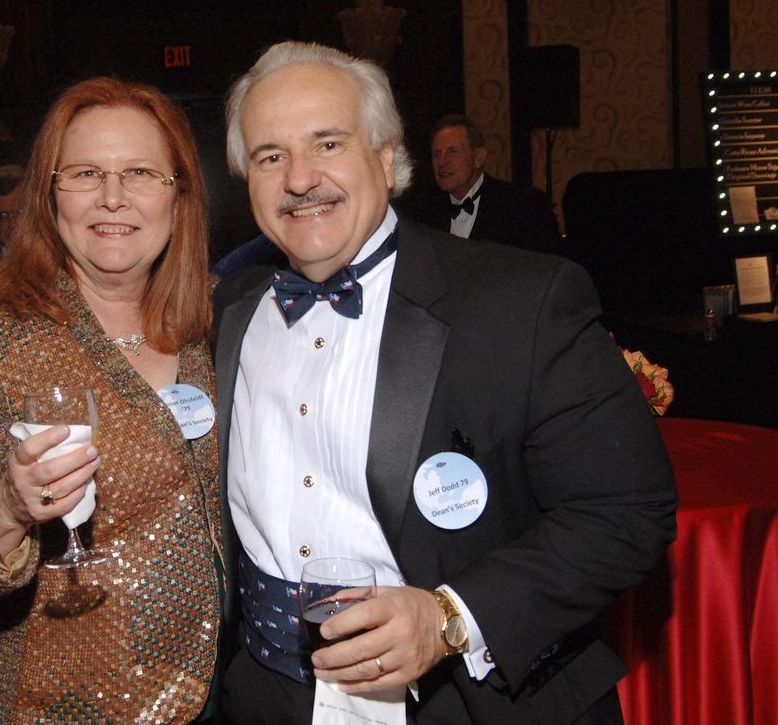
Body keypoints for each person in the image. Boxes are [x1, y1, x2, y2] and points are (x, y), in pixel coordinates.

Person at [213, 41, 676, 725]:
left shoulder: (524, 300)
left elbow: (626, 510)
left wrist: (449, 618)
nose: (300, 178)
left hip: (466, 702)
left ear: (386, 153)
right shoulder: (229, 310)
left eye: (328, 143)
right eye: (270, 156)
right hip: (267, 698)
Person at [0, 77, 222, 724]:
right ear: (49, 196)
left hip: (216, 689)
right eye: (84, 173)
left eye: (139, 171)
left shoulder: (211, 323)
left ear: (178, 195)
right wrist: (9, 507)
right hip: (67, 703)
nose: (112, 195)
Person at [423, 113, 562, 253]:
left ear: (478, 157)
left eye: (452, 151)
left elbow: (548, 268)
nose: (441, 162)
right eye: (436, 154)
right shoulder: (426, 213)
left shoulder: (523, 206)